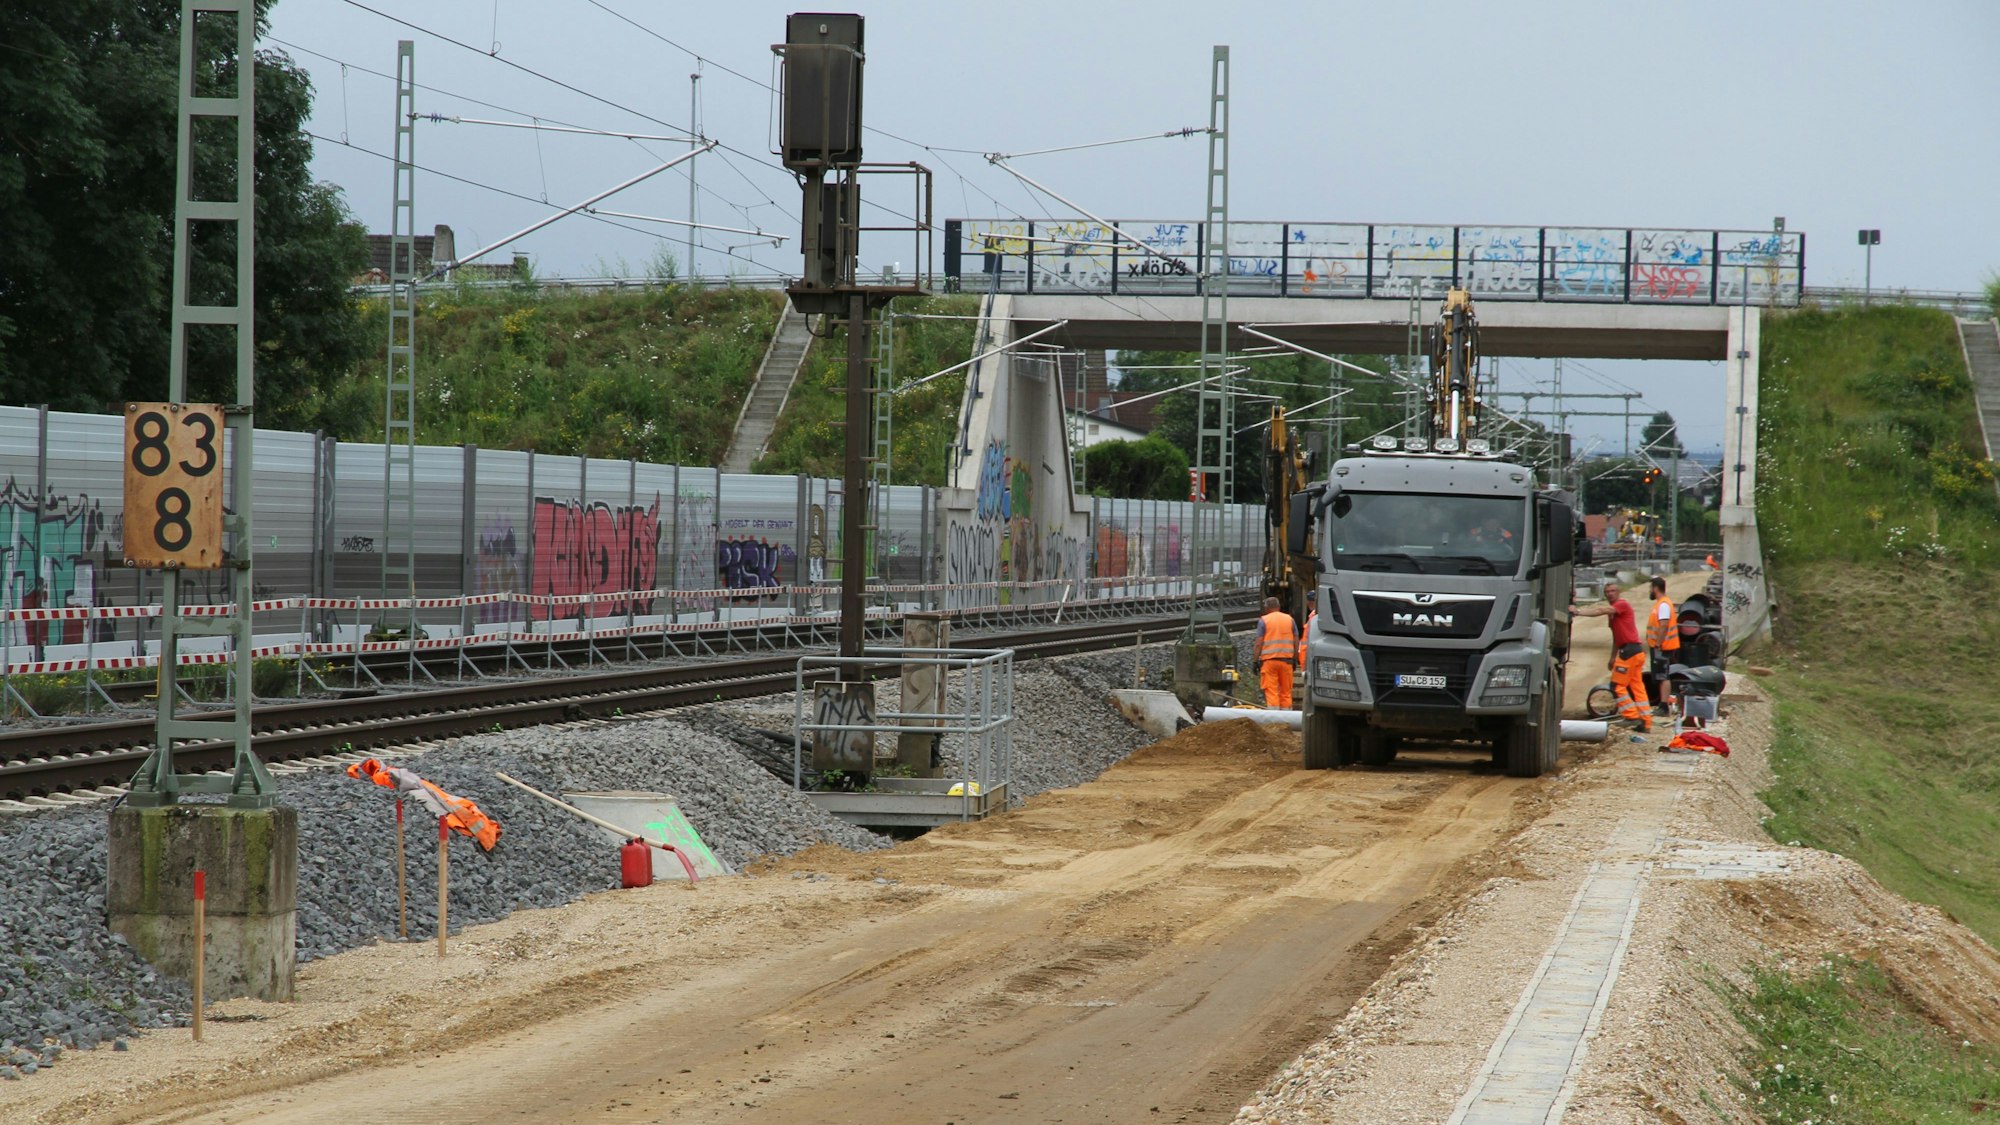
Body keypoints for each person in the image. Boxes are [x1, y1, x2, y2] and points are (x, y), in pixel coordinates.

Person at [1572, 579, 1650, 731]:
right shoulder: (1613, 612)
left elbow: (1600, 611)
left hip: (1630, 652)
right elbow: (1616, 636)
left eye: (1613, 591)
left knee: (1616, 685)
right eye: (1607, 592)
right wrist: (1613, 656)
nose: (1610, 594)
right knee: (1637, 687)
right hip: (1634, 652)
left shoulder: (1621, 605)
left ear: (1619, 592)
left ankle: (1631, 716)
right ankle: (1645, 723)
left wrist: (1577, 611)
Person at [1251, 596, 1298, 710]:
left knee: (1271, 691)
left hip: (1269, 662)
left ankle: (1274, 718)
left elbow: (1258, 643)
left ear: (1267, 608)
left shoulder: (1264, 620)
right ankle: (1287, 718)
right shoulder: (1289, 619)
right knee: (1286, 692)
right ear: (1279, 606)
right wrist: (1295, 658)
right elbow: (1296, 640)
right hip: (1286, 662)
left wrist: (1255, 660)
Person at [1645, 575, 1681, 714]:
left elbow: (1664, 626)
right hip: (1660, 646)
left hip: (1662, 646)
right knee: (1660, 675)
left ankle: (1664, 706)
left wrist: (1658, 644)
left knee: (1663, 676)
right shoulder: (1661, 603)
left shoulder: (1664, 605)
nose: (1650, 591)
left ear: (1655, 588)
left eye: (1650, 588)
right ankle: (1663, 704)